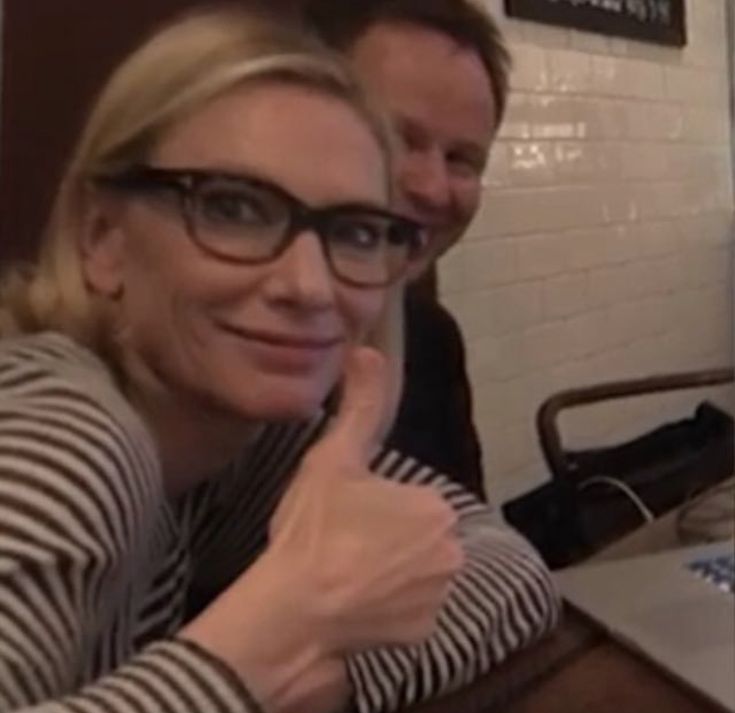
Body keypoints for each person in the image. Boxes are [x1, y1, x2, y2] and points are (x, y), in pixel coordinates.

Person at [0, 7, 558, 713]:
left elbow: (504, 567)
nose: (308, 285)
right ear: (102, 238)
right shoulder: (68, 437)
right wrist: (275, 637)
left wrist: (315, 674)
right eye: (233, 208)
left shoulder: (226, 446)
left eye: (353, 230)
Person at [303, 0, 511, 500]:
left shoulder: (430, 342)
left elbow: (466, 544)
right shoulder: (226, 347)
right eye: (399, 139)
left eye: (462, 159)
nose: (434, 189)